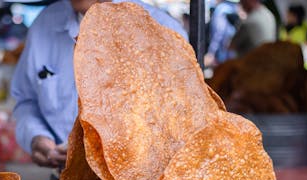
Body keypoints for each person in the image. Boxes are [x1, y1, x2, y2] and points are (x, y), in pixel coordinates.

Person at [11, 0, 187, 169]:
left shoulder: (162, 31)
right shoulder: (44, 24)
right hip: (65, 178)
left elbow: (180, 121)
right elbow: (26, 100)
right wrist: (37, 136)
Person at [204, 0, 238, 67]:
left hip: (222, 54)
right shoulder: (234, 7)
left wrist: (211, 52)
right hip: (231, 53)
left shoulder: (221, 9)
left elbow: (218, 33)